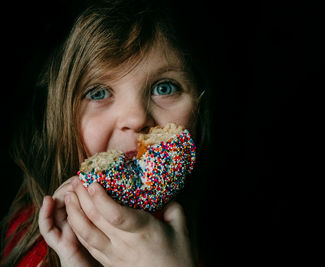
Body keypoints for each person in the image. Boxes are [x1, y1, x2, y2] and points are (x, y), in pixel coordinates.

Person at [0, 0, 212, 266]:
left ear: (200, 107)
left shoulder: (215, 231)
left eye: (164, 88)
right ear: (61, 115)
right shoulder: (42, 243)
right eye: (99, 93)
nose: (136, 119)